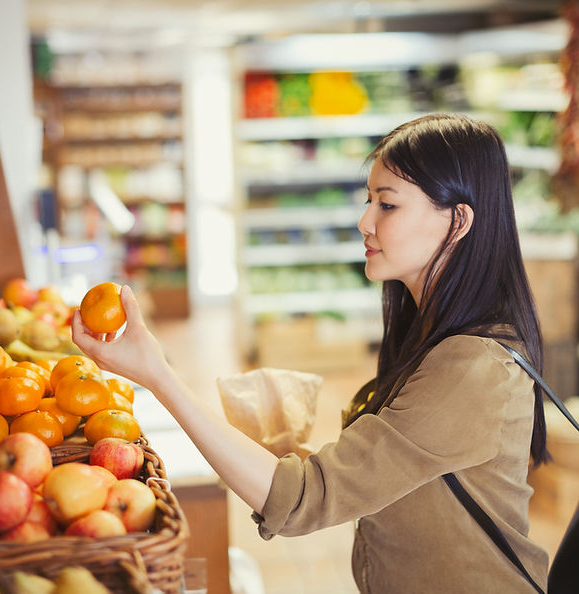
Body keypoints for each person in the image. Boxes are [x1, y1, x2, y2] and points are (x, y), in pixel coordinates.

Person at [72, 113, 550, 593]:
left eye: (387, 204)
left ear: (458, 220)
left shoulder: (473, 370)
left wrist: (159, 375)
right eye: (368, 200)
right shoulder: (432, 332)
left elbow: (302, 500)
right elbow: (383, 477)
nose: (365, 222)